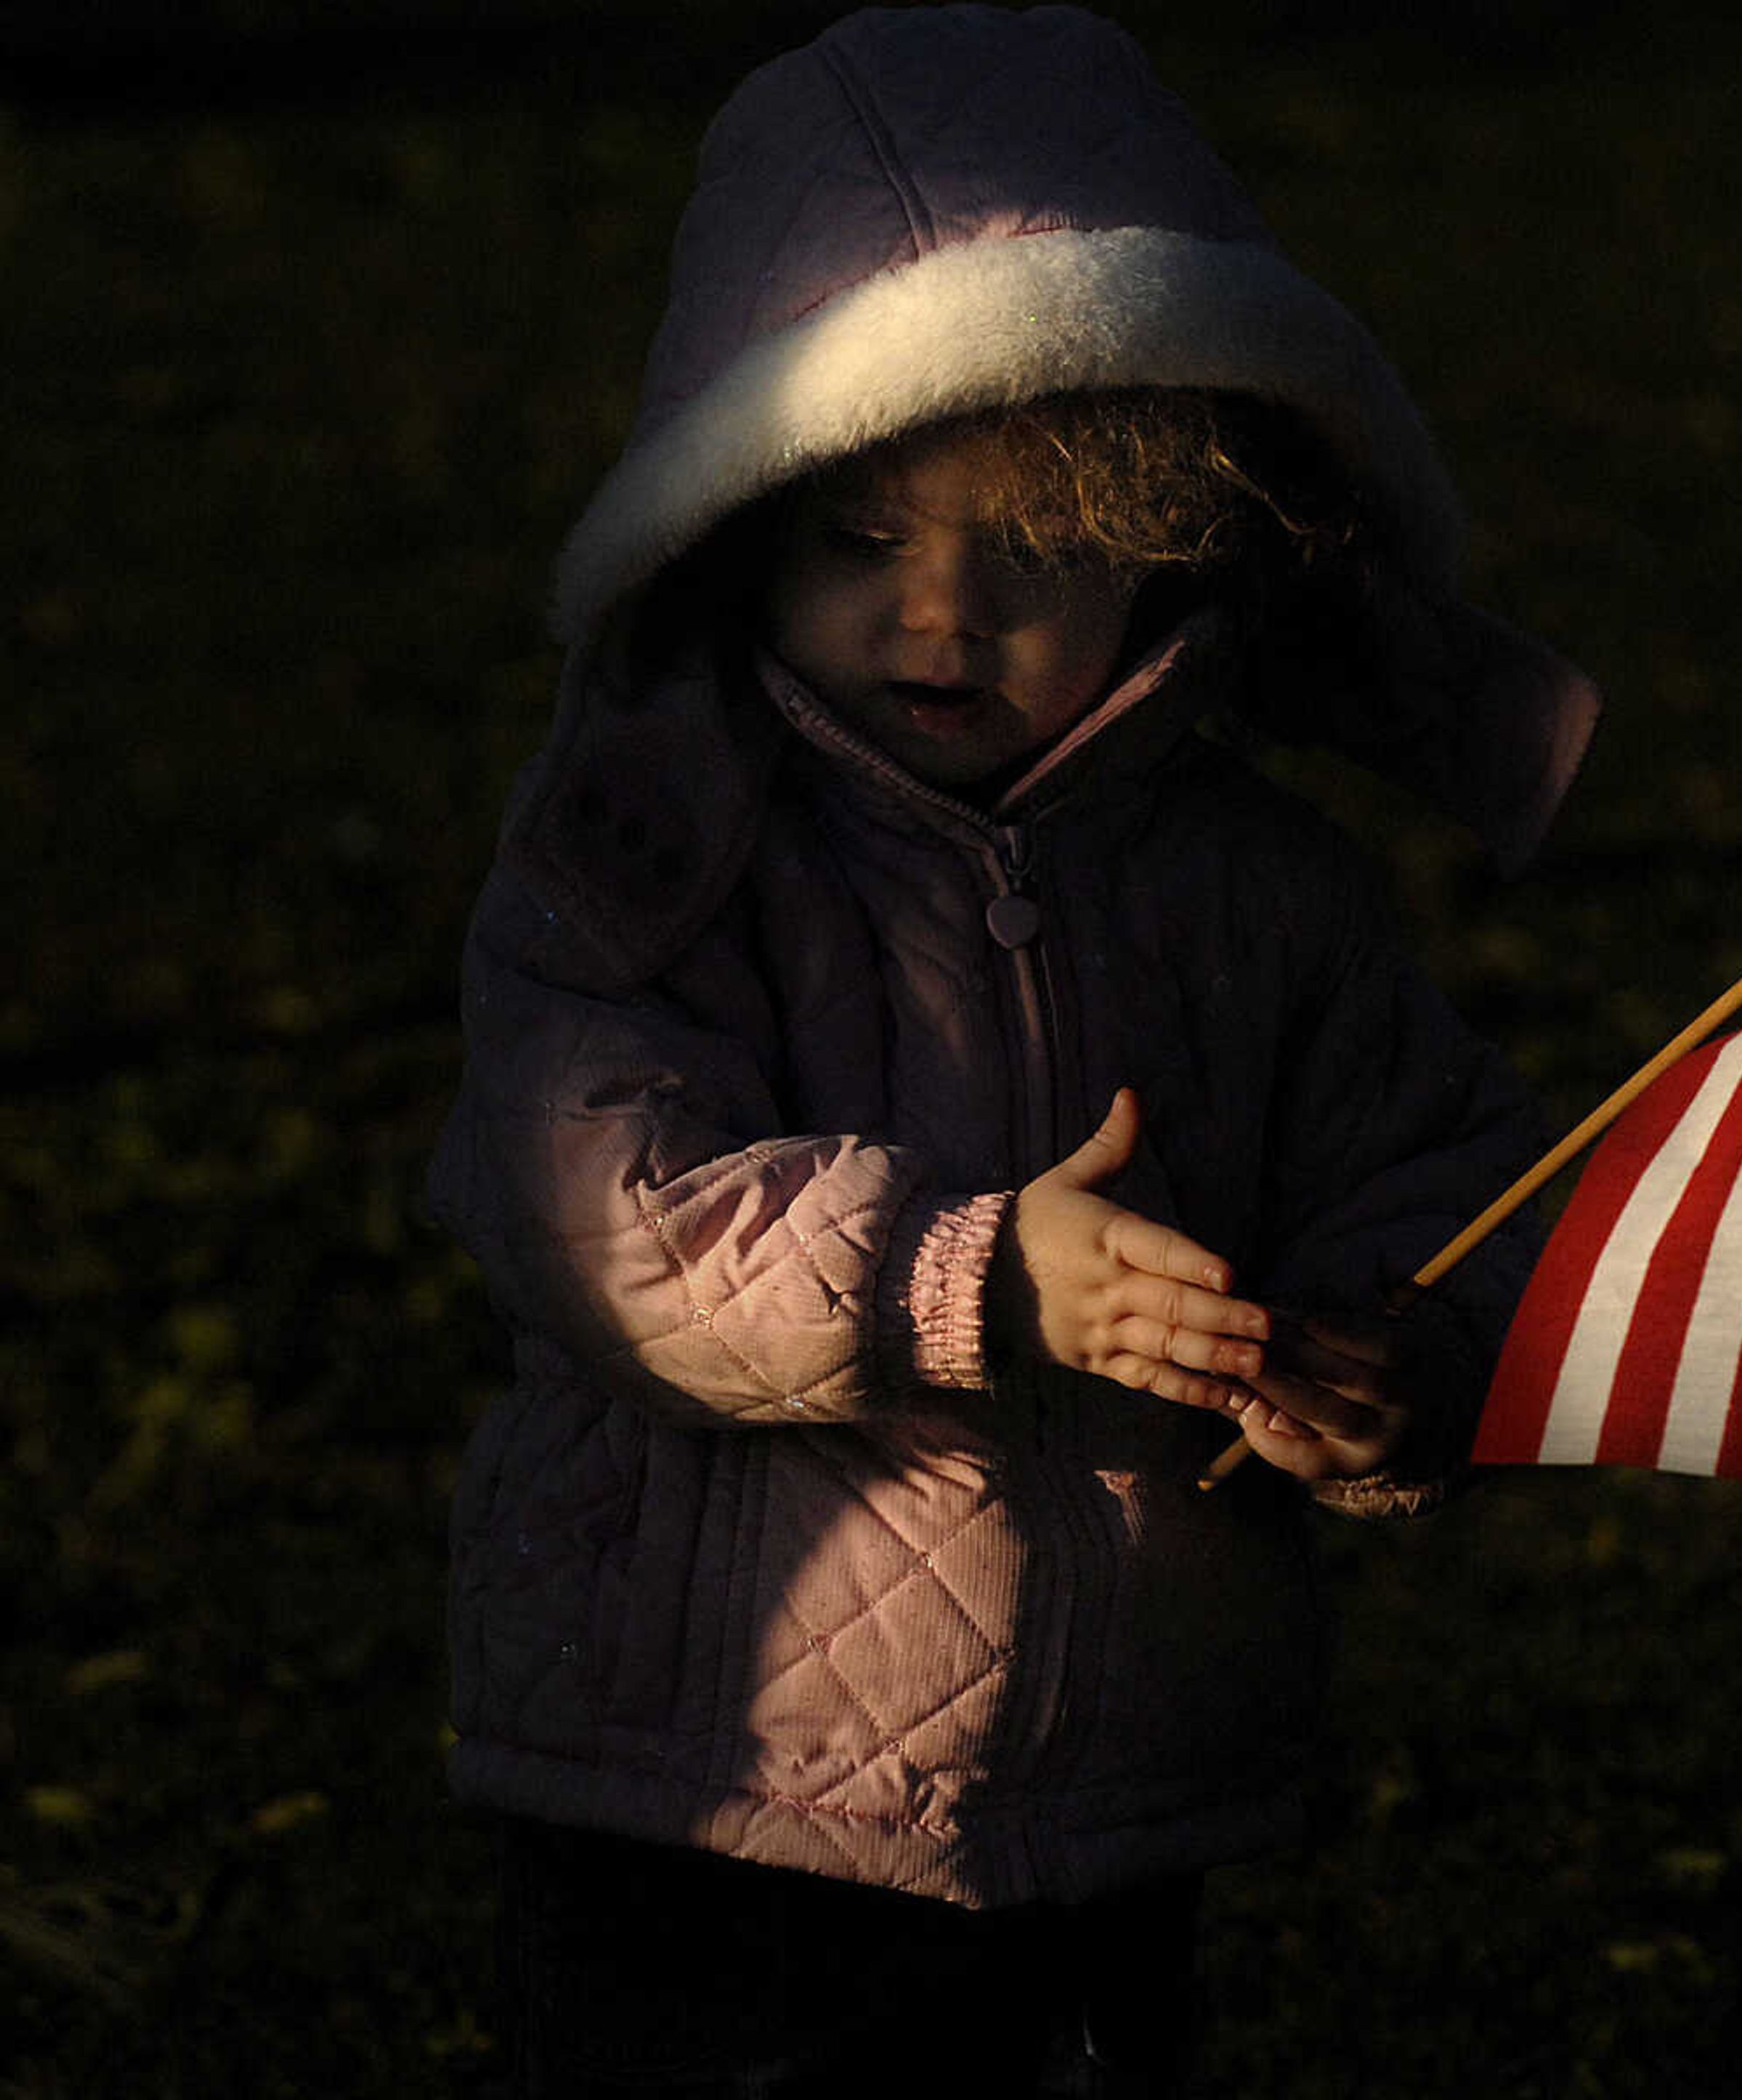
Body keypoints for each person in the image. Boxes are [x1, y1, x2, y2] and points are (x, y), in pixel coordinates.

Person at [426, 6, 1596, 2093]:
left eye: (1034, 546)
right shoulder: (664, 843)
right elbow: (591, 1197)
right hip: (709, 1778)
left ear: (1175, 539)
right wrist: (973, 1272)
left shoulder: (1258, 886)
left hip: (1118, 1771)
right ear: (747, 519)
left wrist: (1390, 1355)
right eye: (861, 541)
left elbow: (1441, 1165)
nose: (937, 616)